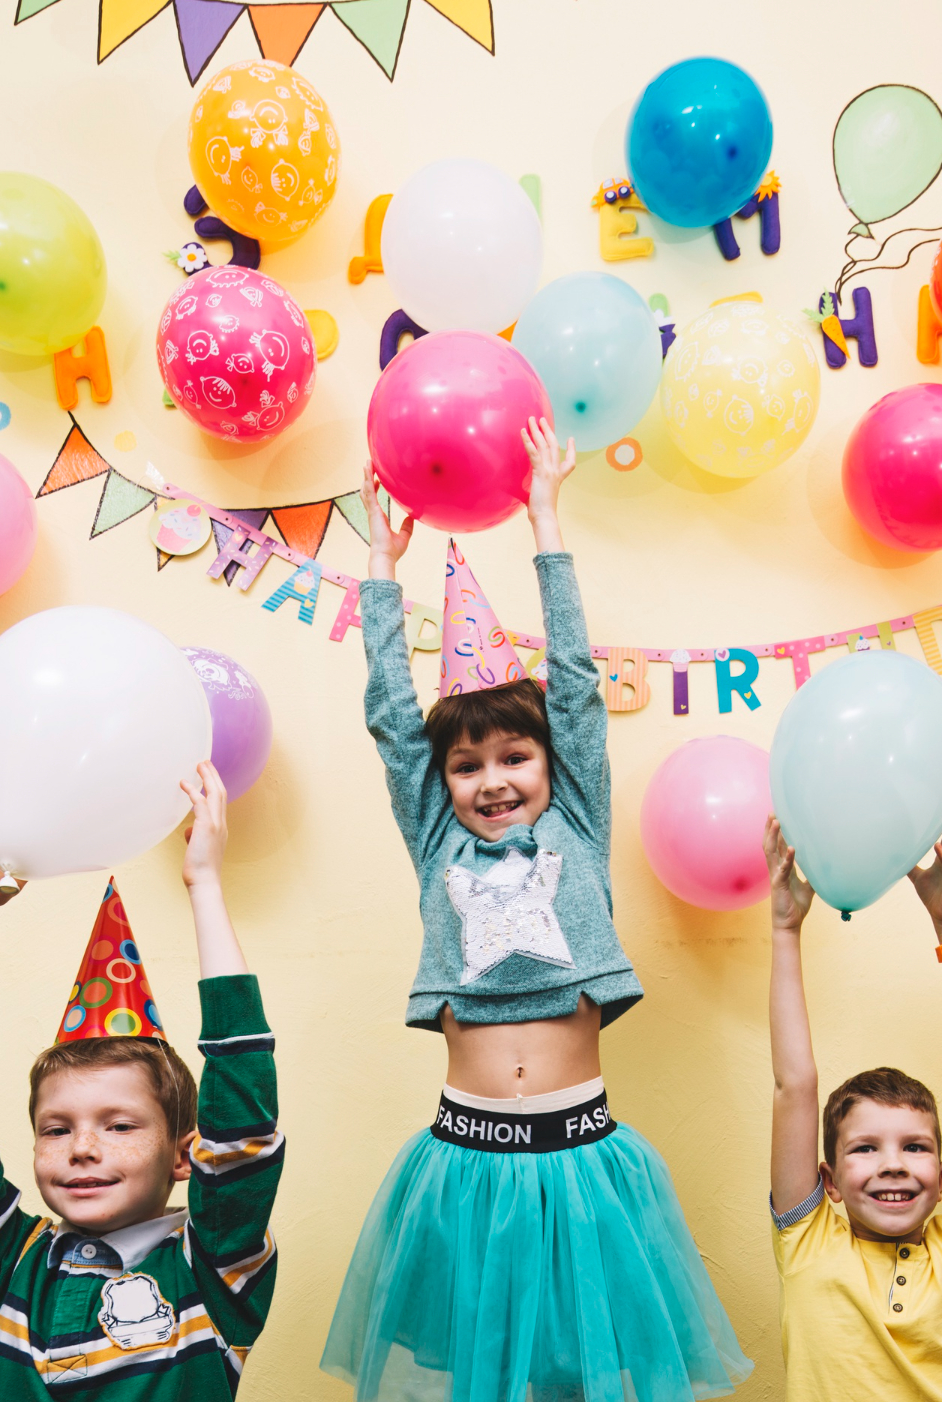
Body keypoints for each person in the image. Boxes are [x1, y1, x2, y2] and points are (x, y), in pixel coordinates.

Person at [322, 417, 752, 1402]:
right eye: (466, 766)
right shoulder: (436, 838)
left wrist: (546, 520)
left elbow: (577, 689)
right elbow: (394, 722)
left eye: (514, 756)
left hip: (581, 1153)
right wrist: (381, 573)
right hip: (465, 1158)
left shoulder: (579, 818)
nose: (492, 779)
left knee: (576, 1380)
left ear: (553, 763)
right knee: (481, 1380)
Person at [0, 763, 283, 1398]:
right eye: (56, 1128)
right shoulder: (4, 1259)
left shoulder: (211, 1266)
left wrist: (205, 884)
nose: (82, 1148)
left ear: (186, 1152)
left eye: (120, 1125)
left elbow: (242, 1114)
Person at [765, 804, 942, 1400]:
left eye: (915, 1146)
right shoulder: (809, 1245)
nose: (894, 1163)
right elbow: (794, 1084)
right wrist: (784, 930)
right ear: (825, 1179)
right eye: (865, 1148)